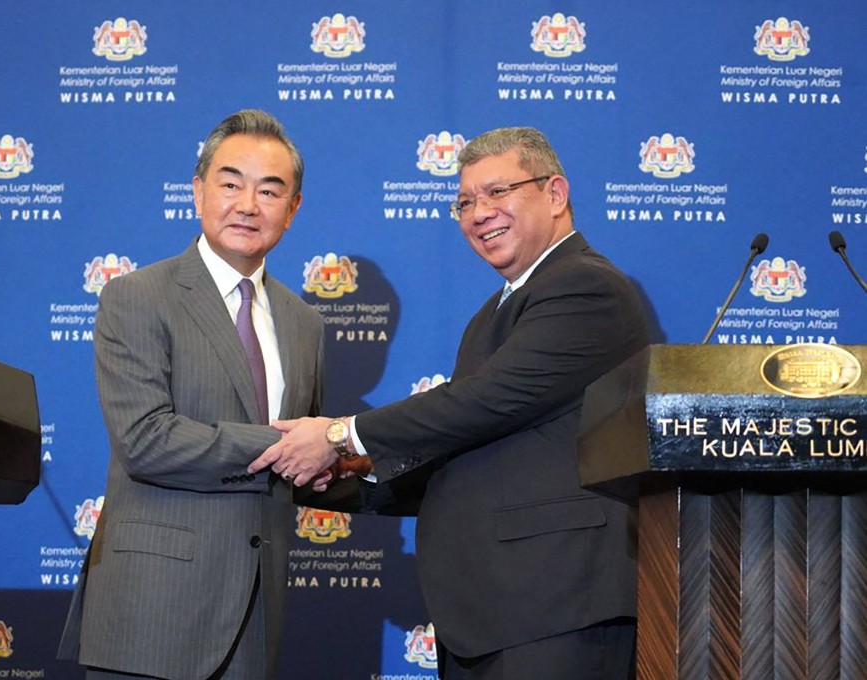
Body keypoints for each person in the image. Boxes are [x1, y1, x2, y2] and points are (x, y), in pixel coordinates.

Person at [249, 126, 649, 679]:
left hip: (556, 607)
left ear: (555, 194)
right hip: (492, 613)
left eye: (498, 192)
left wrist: (339, 436)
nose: (479, 212)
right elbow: (466, 450)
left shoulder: (585, 286)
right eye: (465, 201)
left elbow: (485, 402)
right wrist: (347, 475)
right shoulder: (493, 313)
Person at [59, 109, 325, 680]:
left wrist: (348, 455)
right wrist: (294, 446)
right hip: (151, 616)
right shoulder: (137, 297)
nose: (248, 204)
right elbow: (146, 441)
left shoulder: (305, 323)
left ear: (293, 209)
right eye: (230, 184)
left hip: (256, 617)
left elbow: (313, 461)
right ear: (198, 191)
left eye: (270, 190)